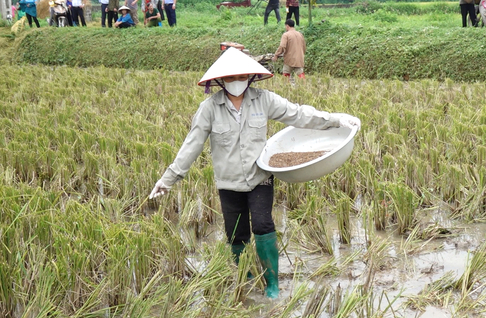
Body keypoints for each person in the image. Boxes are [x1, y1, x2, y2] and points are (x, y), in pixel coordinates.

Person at [148, 48, 360, 299]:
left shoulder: (264, 100)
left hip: (260, 177)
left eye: (241, 77)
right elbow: (191, 145)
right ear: (220, 81)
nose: (236, 82)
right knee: (235, 233)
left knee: (262, 224)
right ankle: (247, 277)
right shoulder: (209, 108)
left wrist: (335, 119)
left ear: (250, 77)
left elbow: (299, 114)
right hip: (228, 182)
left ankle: (272, 283)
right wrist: (168, 179)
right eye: (230, 78)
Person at [273, 19, 306, 84]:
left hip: (289, 58)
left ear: (287, 26)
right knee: (300, 73)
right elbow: (304, 46)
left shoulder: (286, 35)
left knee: (286, 73)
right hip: (299, 59)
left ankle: (286, 87)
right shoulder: (300, 34)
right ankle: (304, 86)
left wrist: (276, 55)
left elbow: (282, 46)